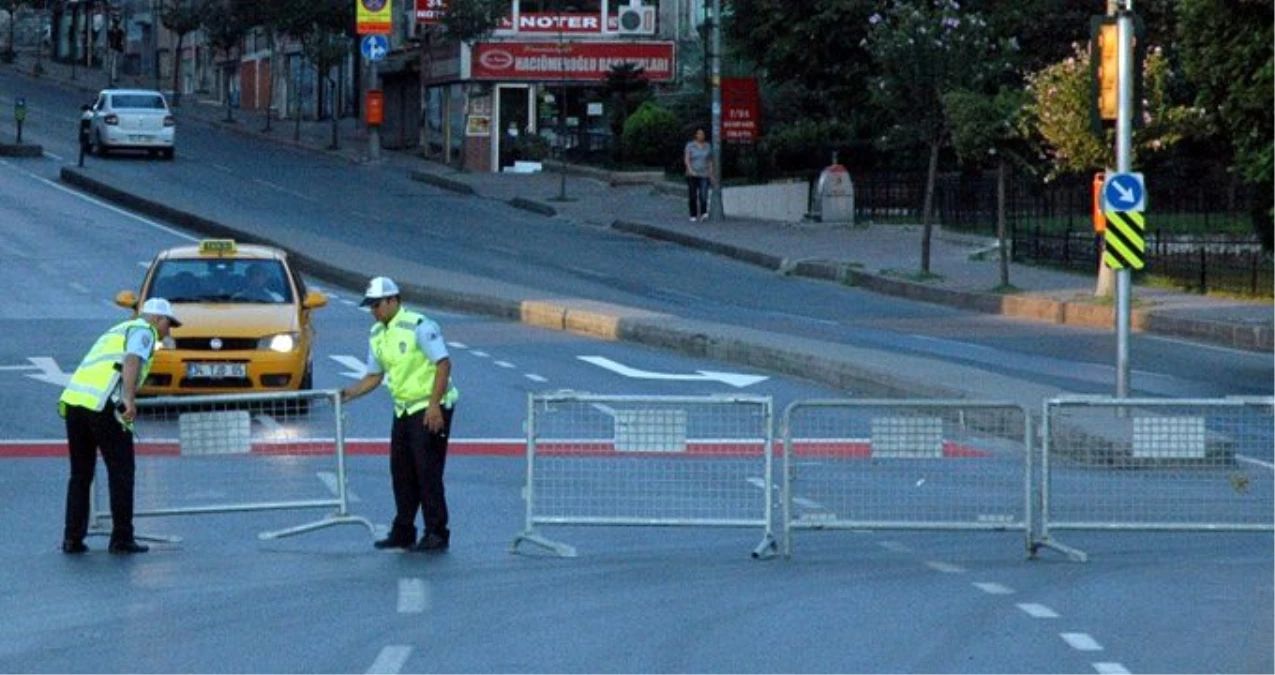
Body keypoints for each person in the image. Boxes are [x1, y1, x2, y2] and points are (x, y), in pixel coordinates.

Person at [340, 277, 459, 553]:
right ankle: (404, 530)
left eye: (377, 305)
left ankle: (437, 532)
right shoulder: (377, 334)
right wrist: (348, 394)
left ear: (394, 300)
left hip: (429, 406)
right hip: (404, 407)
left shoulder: (419, 326)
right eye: (370, 306)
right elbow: (374, 375)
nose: (374, 310)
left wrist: (434, 405)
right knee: (401, 471)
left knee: (427, 472)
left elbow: (443, 364)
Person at [59, 298, 182, 555]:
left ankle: (72, 538)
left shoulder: (116, 331)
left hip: (75, 403)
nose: (169, 331)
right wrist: (128, 399)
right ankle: (122, 537)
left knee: (80, 475)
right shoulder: (143, 331)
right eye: (168, 324)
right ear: (158, 319)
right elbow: (132, 359)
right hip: (105, 405)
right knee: (121, 471)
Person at [684, 128, 714, 222]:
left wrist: (711, 173)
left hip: (704, 174)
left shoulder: (708, 146)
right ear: (696, 135)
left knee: (703, 194)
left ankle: (703, 213)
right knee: (693, 195)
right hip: (692, 174)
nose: (701, 136)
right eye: (699, 134)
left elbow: (709, 160)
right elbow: (687, 159)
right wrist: (690, 169)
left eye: (703, 134)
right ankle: (693, 214)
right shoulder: (690, 145)